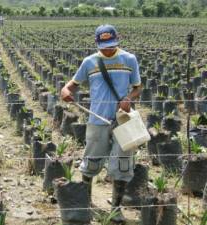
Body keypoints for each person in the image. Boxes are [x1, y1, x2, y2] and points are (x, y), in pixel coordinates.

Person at [61, 24, 142, 223]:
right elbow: (72, 85)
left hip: (123, 120)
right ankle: (87, 202)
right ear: (97, 43)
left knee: (123, 163)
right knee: (91, 160)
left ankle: (116, 208)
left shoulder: (129, 59)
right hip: (96, 119)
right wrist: (65, 91)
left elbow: (138, 87)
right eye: (104, 46)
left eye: (111, 45)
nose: (108, 49)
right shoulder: (89, 62)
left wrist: (130, 98)